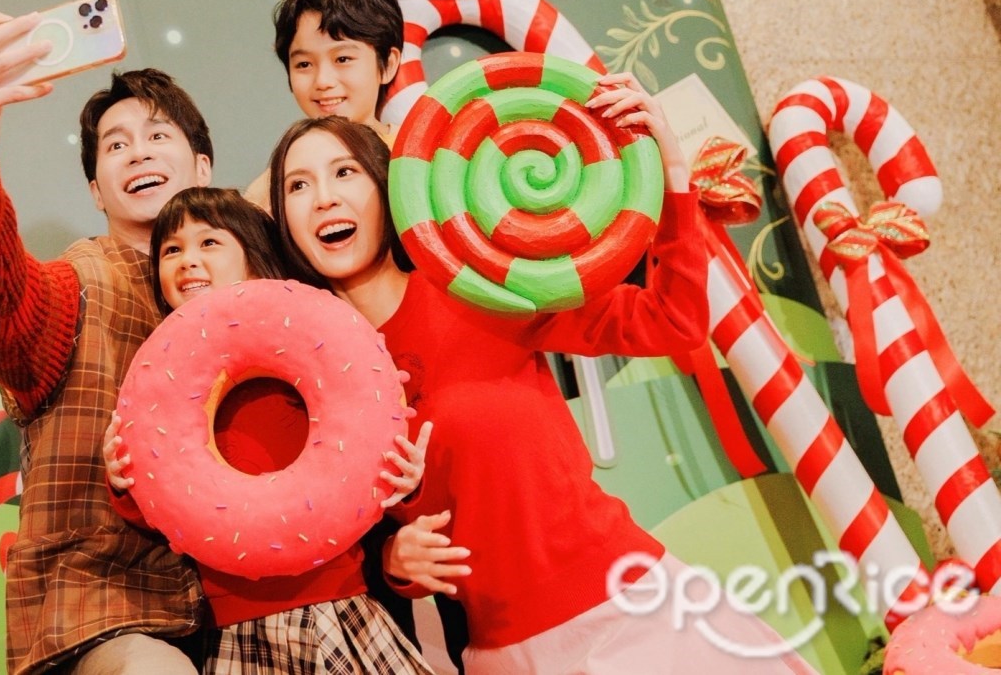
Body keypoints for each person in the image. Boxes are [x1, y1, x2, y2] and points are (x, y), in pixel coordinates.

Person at [267, 82, 819, 674]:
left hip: (628, 611)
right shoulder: (318, 377)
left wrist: (672, 172)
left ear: (385, 185)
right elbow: (360, 527)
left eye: (344, 172)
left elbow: (672, 321)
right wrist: (394, 561)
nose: (324, 198)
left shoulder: (473, 286)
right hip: (502, 650)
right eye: (298, 185)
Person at [0, 11, 214, 675]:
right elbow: (2, 309)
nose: (139, 152)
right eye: (116, 145)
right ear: (96, 190)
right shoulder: (80, 282)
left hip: (234, 607)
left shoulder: (253, 290)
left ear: (202, 166)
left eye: (158, 135)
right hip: (103, 612)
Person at [103, 186, 438, 675]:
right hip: (235, 624)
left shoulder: (316, 354)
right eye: (171, 250)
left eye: (209, 242)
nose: (187, 260)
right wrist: (123, 482)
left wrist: (406, 485)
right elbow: (167, 509)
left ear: (256, 258)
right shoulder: (163, 384)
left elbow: (368, 476)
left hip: (340, 605)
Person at [244, 0, 404, 208]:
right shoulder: (274, 186)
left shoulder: (416, 153)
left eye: (343, 59)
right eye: (304, 64)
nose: (323, 81)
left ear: (388, 65)